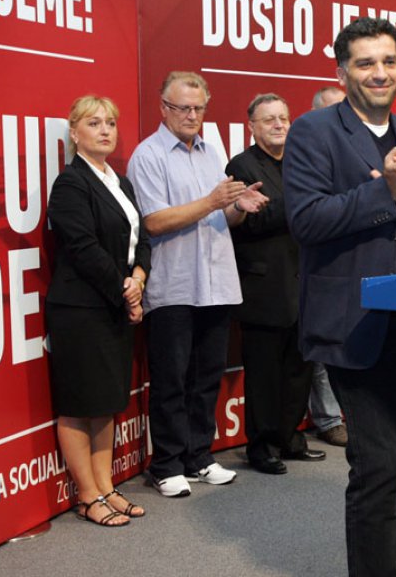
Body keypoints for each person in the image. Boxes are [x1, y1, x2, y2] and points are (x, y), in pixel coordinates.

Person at [283, 18, 396, 577]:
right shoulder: (313, 132)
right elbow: (307, 220)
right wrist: (385, 191)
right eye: (365, 63)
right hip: (355, 324)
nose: (379, 73)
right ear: (343, 71)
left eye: (388, 61)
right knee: (379, 467)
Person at [127, 71, 268, 497]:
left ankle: (199, 456)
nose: (191, 115)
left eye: (198, 108)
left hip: (217, 282)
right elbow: (153, 221)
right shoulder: (148, 155)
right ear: (163, 108)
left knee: (207, 377)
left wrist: (239, 207)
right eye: (182, 107)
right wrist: (212, 201)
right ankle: (166, 464)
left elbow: (222, 216)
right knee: (172, 380)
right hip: (174, 284)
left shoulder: (211, 152)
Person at [47, 95, 151, 526]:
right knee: (79, 402)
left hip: (114, 304)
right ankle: (87, 495)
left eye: (110, 122)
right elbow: (83, 248)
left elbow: (141, 238)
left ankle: (106, 486)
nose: (105, 130)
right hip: (80, 309)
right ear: (74, 133)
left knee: (106, 401)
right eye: (94, 123)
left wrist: (139, 277)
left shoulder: (119, 182)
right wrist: (126, 292)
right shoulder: (70, 184)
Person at [228, 93, 325, 475]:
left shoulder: (301, 162)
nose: (279, 124)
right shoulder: (242, 165)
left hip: (305, 284)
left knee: (299, 370)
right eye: (269, 119)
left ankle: (290, 438)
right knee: (265, 375)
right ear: (252, 126)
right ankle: (262, 446)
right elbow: (252, 221)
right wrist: (303, 201)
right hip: (264, 287)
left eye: (283, 117)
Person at [306, 85, 349, 447]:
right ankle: (328, 417)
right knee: (324, 346)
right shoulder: (307, 150)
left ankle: (350, 413)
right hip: (315, 262)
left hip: (353, 261)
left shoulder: (357, 149)